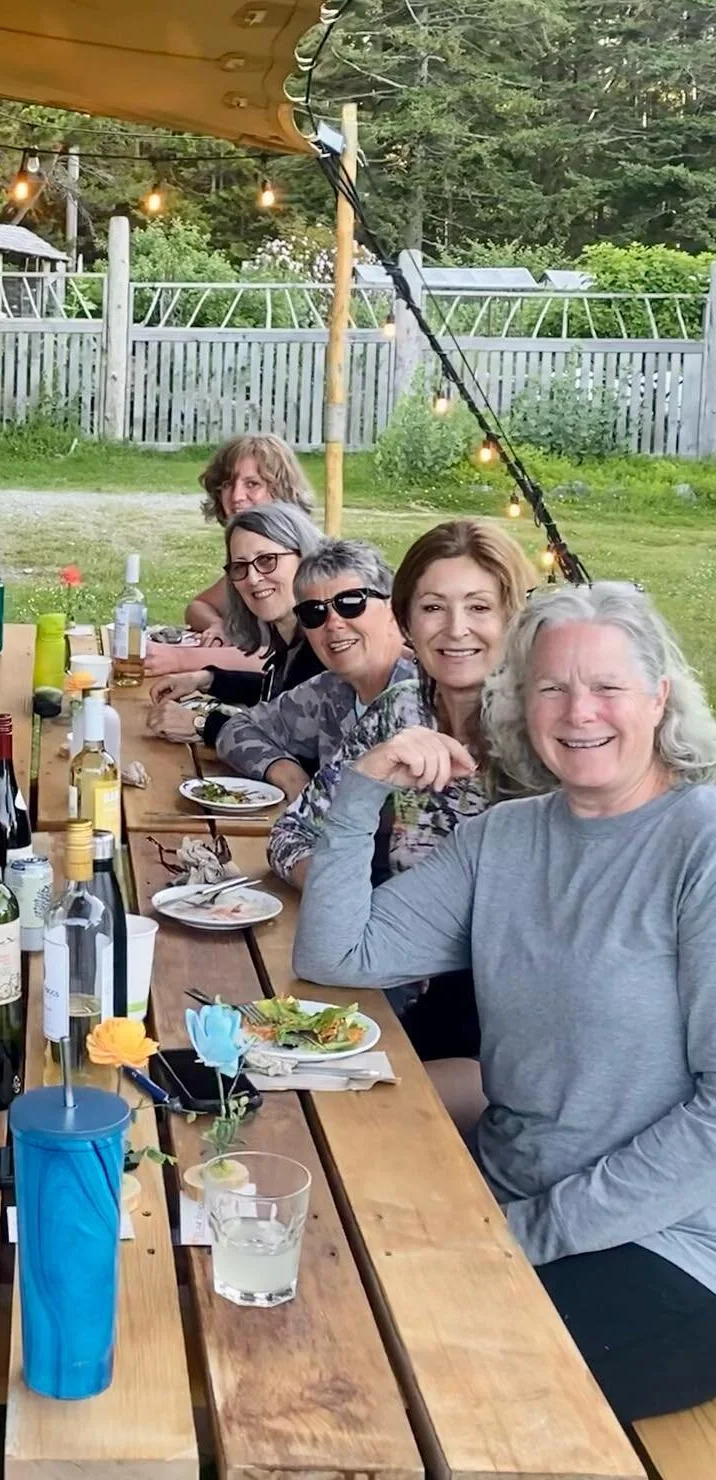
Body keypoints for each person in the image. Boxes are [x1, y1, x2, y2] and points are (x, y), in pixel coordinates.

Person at [294, 582, 716, 1426]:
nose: (579, 711)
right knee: (313, 1293)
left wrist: (527, 1234)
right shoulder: (505, 838)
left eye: (607, 687)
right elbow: (339, 955)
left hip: (668, 1247)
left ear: (660, 697)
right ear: (522, 706)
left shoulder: (698, 844)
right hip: (509, 1196)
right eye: (552, 688)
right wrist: (360, 791)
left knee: (390, 1381)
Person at [268, 521, 535, 1099]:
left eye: (480, 607)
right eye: (434, 607)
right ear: (407, 621)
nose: (456, 630)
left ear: (513, 617)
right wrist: (349, 896)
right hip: (386, 974)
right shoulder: (402, 708)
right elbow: (290, 833)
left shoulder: (545, 732)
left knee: (323, 1103)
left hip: (509, 1018)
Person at [149, 541, 414, 798]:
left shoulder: (430, 699)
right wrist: (289, 775)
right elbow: (240, 728)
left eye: (350, 603)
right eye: (314, 612)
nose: (333, 623)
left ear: (392, 610)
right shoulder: (330, 689)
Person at [148, 502, 324, 703]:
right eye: (240, 566)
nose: (252, 578)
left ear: (305, 559)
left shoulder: (325, 646)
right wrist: (208, 679)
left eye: (267, 560)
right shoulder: (291, 639)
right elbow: (277, 692)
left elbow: (289, 728)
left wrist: (202, 724)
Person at [183, 434, 314, 639]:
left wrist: (182, 661)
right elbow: (198, 606)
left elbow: (274, 658)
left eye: (252, 484)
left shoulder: (302, 558)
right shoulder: (250, 566)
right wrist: (218, 626)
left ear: (281, 489)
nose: (236, 497)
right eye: (227, 485)